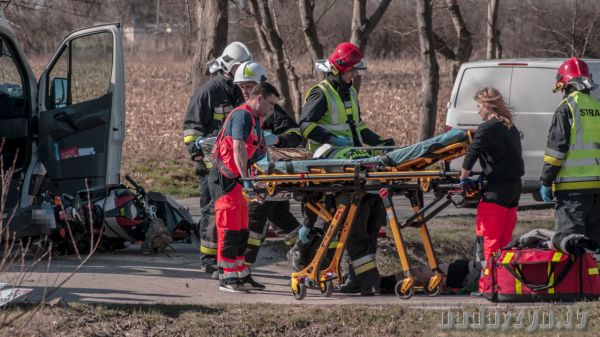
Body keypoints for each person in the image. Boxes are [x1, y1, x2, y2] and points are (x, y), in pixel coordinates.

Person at [297, 42, 392, 295]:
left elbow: (358, 129)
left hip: (350, 159)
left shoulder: (350, 93)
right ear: (339, 68)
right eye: (352, 70)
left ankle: (356, 278)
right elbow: (305, 125)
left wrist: (380, 143)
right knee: (353, 223)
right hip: (327, 156)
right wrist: (331, 139)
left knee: (370, 217)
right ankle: (357, 278)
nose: (355, 75)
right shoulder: (321, 92)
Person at [182, 42, 252, 275]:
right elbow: (192, 129)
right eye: (239, 67)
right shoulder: (208, 92)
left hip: (235, 164)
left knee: (233, 211)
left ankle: (229, 258)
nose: (242, 72)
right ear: (228, 66)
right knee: (212, 211)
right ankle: (209, 260)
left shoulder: (241, 90)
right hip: (212, 164)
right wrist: (196, 151)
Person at [231, 61, 304, 264]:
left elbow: (295, 134)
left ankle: (243, 266)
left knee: (254, 220)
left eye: (249, 85)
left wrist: (277, 139)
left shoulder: (269, 108)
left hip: (268, 175)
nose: (245, 90)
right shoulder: (240, 109)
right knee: (282, 218)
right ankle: (308, 253)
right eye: (242, 86)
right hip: (254, 175)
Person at [210, 82, 280, 292]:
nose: (272, 109)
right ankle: (227, 279)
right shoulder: (241, 116)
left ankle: (241, 274)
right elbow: (238, 147)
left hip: (238, 182)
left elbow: (258, 150)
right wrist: (245, 178)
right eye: (270, 103)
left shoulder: (256, 119)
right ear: (258, 98)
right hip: (228, 180)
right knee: (229, 230)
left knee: (241, 230)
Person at [459, 87, 524, 293]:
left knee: (490, 242)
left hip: (495, 192)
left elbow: (472, 152)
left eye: (478, 106)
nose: (478, 111)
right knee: (505, 242)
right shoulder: (509, 126)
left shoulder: (487, 128)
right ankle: (504, 284)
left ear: (487, 105)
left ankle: (488, 286)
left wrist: (463, 177)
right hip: (513, 190)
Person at [540, 57, 600, 255]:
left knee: (571, 245)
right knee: (595, 247)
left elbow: (556, 151)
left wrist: (546, 181)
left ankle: (575, 286)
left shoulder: (566, 108)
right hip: (597, 189)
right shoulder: (598, 107)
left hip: (572, 191)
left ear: (564, 84)